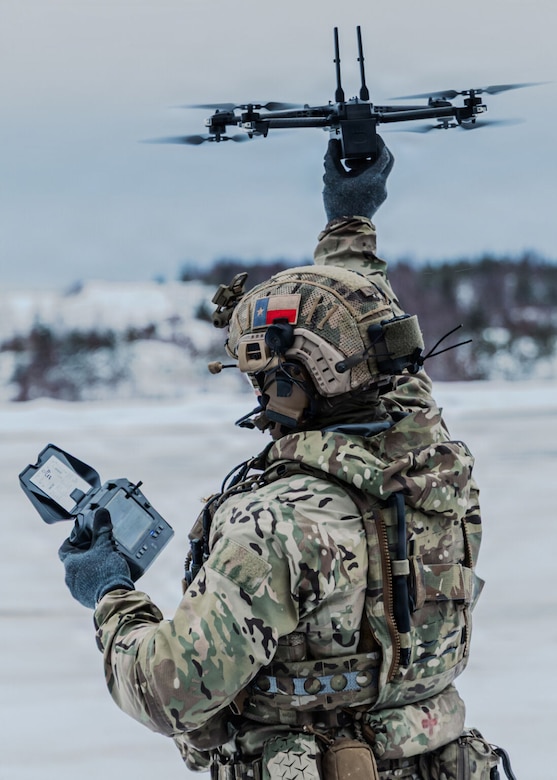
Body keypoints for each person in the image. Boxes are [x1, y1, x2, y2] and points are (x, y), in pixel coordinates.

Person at [59, 137, 512, 779]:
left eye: (264, 374)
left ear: (293, 379)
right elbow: (367, 337)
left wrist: (108, 591)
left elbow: (169, 690)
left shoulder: (279, 524)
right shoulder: (429, 462)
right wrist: (349, 220)